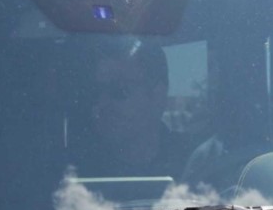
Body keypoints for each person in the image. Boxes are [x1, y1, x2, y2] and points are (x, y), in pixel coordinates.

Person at [69, 40, 192, 178]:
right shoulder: (73, 171)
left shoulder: (196, 165)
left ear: (157, 95)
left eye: (120, 90)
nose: (101, 104)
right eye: (96, 92)